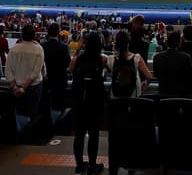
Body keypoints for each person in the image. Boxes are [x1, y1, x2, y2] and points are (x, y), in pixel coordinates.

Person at [71, 31, 107, 173]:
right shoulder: (101, 59)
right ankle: (92, 165)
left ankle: (79, 165)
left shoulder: (78, 59)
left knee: (79, 135)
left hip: (80, 102)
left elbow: (70, 68)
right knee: (94, 135)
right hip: (95, 102)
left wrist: (78, 49)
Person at [6, 24, 47, 118]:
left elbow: (8, 71)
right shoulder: (39, 49)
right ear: (34, 35)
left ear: (22, 35)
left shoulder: (13, 49)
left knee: (18, 114)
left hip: (17, 86)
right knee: (32, 114)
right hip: (33, 87)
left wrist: (16, 87)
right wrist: (23, 88)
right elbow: (36, 72)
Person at [107, 28, 151, 99]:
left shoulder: (110, 59)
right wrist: (143, 87)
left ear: (116, 44)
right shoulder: (137, 58)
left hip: (115, 97)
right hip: (133, 97)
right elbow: (149, 77)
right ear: (128, 43)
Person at [152, 29, 192, 98]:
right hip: (180, 95)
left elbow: (156, 74)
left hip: (163, 93)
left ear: (167, 42)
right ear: (179, 43)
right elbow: (189, 75)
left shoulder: (157, 57)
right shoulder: (186, 57)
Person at [42, 24, 71, 108]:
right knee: (58, 105)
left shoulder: (42, 46)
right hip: (60, 80)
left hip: (46, 80)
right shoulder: (64, 47)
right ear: (58, 33)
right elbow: (67, 63)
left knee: (45, 106)